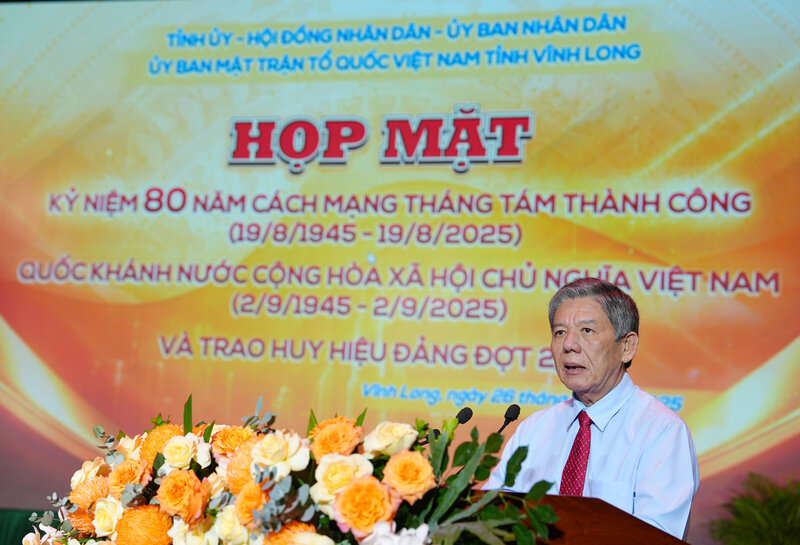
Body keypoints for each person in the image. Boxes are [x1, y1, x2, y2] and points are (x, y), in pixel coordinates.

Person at [484, 277, 699, 539]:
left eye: (587, 331)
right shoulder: (533, 429)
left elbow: (655, 539)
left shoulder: (662, 432)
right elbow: (487, 516)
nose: (568, 345)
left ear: (627, 347)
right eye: (560, 332)